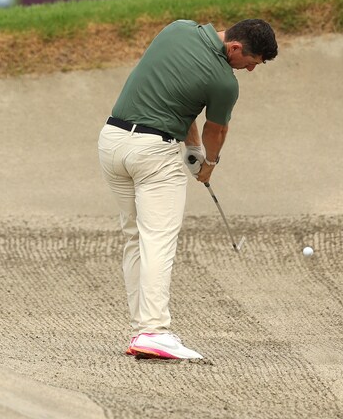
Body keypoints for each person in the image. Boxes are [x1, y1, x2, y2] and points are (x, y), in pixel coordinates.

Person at [97, 19, 278, 360]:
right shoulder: (225, 82)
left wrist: (190, 147)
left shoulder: (177, 29)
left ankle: (142, 330)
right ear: (234, 48)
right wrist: (208, 164)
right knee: (158, 240)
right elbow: (216, 131)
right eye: (251, 62)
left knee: (135, 237)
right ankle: (154, 331)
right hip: (153, 154)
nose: (250, 70)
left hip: (112, 142)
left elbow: (175, 94)